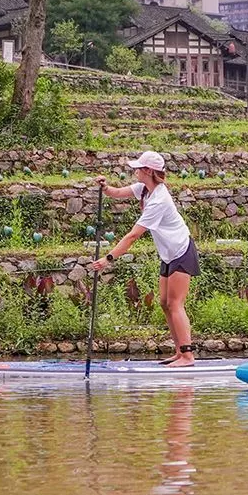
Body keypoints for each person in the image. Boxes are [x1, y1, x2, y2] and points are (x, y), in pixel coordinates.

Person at [89, 151, 200, 367]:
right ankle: (179, 353)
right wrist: (105, 188)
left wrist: (108, 258)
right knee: (164, 303)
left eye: (138, 168)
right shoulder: (145, 190)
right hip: (168, 253)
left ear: (148, 171)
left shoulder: (159, 200)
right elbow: (117, 192)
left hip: (181, 250)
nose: (135, 171)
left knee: (176, 303)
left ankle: (187, 356)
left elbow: (133, 236)